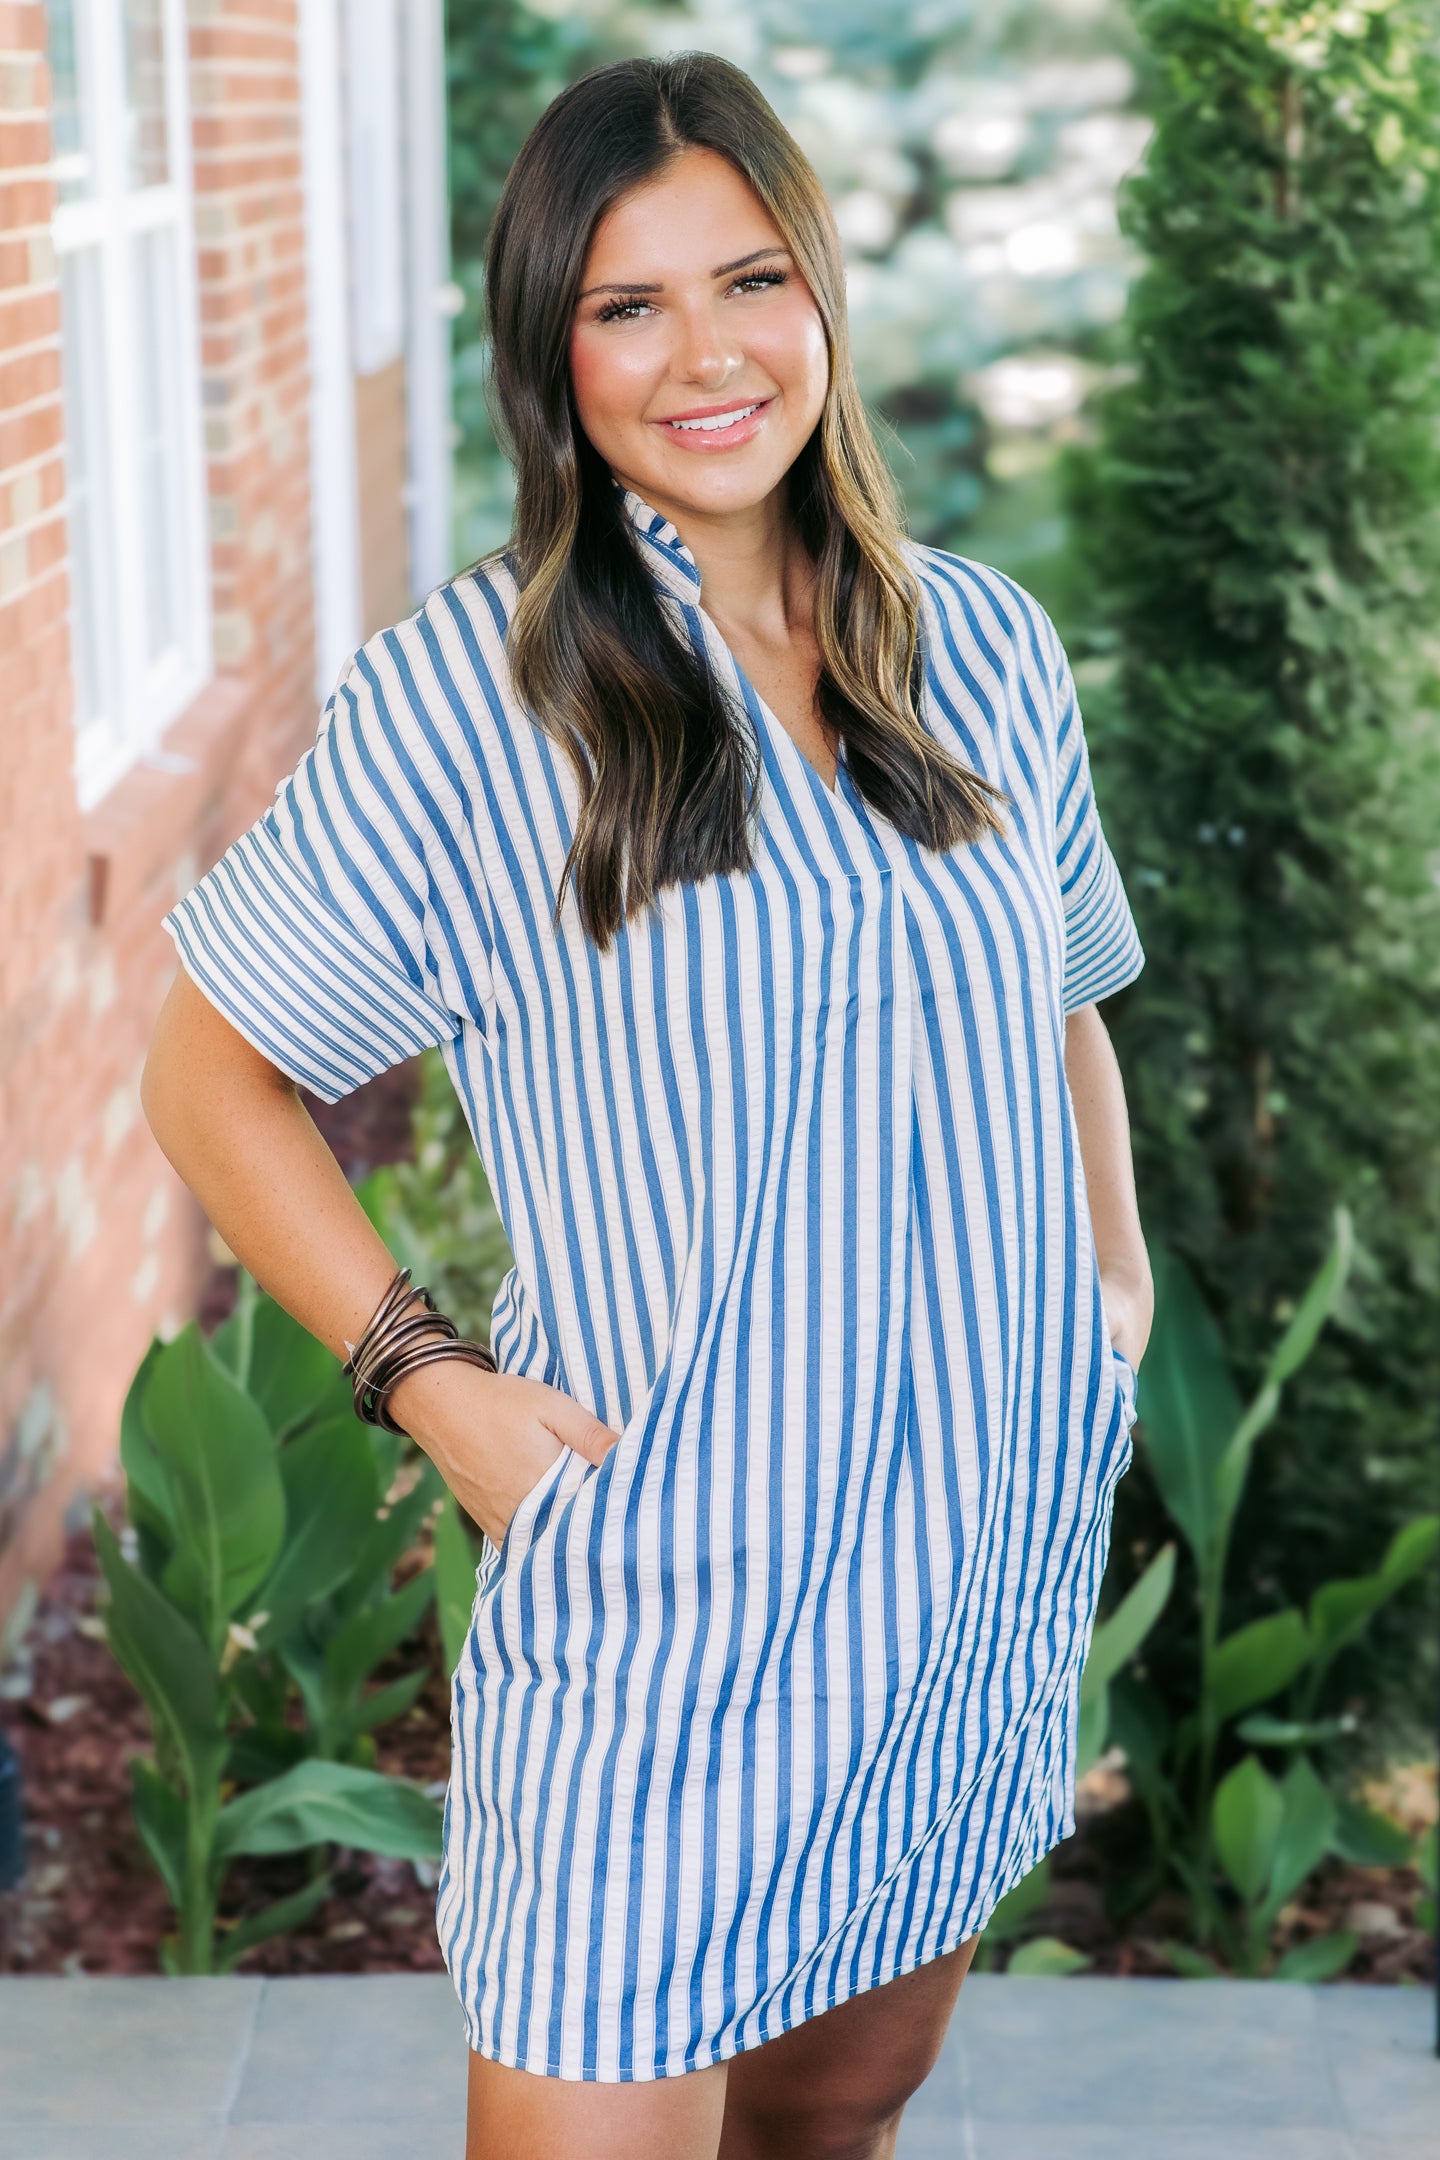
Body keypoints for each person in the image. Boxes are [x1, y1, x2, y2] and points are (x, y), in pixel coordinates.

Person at [141, 49, 1153, 2160]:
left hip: (960, 1575)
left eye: (751, 279)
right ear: (554, 350)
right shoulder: (474, 700)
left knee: (839, 2120)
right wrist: (428, 1382)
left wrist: (1110, 1288)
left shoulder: (983, 647)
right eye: (630, 305)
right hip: (668, 1599)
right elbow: (207, 1070)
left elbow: (1063, 996)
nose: (708, 355)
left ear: (822, 296)